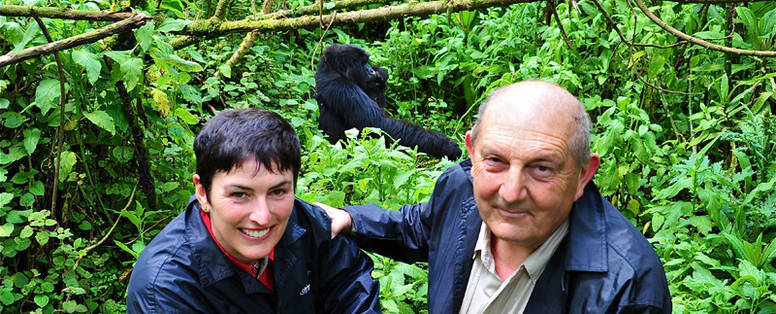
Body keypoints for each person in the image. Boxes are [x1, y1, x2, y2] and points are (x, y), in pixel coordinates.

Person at [322, 81, 672, 313]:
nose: (511, 192)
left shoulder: (628, 287)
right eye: (496, 161)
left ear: (583, 174)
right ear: (472, 153)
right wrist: (351, 219)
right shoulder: (461, 189)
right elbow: (421, 227)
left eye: (542, 168)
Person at [126, 109, 380, 313]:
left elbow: (351, 285)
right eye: (240, 195)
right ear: (203, 192)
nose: (263, 216)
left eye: (277, 192)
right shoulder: (165, 291)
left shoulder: (302, 222)